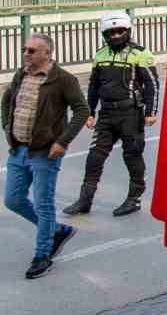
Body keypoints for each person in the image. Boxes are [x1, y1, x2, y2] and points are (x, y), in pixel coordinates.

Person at [1, 33, 86, 280]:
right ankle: (57, 230)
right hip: (18, 149)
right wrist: (7, 126)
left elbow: (81, 110)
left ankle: (42, 256)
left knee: (43, 204)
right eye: (25, 49)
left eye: (31, 51)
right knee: (13, 200)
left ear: (47, 54)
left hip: (45, 153)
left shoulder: (63, 80)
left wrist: (62, 142)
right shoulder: (21, 74)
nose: (26, 54)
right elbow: (7, 100)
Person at [63, 11, 159, 218]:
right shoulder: (100, 55)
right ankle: (85, 199)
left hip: (131, 113)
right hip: (106, 114)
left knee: (132, 156)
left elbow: (152, 84)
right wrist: (89, 112)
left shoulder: (140, 54)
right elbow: (94, 86)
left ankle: (134, 198)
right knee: (94, 157)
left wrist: (151, 112)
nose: (115, 35)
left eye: (119, 31)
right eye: (111, 32)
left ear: (128, 31)